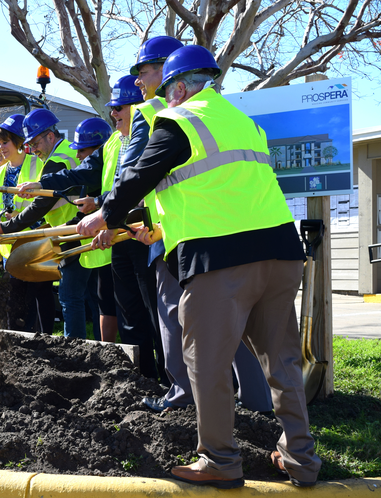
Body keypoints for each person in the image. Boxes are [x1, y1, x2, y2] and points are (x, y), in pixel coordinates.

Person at [78, 44, 320, 489]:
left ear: (181, 87)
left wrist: (103, 216)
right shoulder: (241, 122)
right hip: (281, 253)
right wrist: (149, 225)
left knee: (205, 362)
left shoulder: (181, 119)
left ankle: (220, 460)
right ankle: (301, 459)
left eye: (167, 89)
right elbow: (213, 187)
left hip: (220, 260)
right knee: (282, 360)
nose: (164, 98)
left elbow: (139, 175)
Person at [113, 36, 272, 415]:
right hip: (226, 231)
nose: (138, 80)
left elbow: (132, 176)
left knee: (174, 315)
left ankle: (186, 397)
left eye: (146, 70)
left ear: (173, 70)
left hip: (175, 231)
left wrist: (109, 215)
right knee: (235, 321)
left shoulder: (155, 113)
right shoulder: (226, 115)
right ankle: (256, 404)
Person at [17, 116, 114, 341]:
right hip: (82, 234)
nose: (78, 156)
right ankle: (98, 347)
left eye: (36, 143)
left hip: (86, 239)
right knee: (97, 299)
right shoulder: (69, 159)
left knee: (74, 297)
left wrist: (63, 230)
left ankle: (78, 347)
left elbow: (46, 203)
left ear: (50, 136)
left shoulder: (61, 159)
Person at [0, 108, 86, 338]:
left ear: (50, 136)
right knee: (83, 297)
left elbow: (42, 206)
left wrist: (7, 226)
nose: (33, 149)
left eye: (34, 143)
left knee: (69, 298)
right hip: (70, 232)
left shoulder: (56, 160)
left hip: (71, 234)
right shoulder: (65, 153)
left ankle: (73, 350)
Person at [0, 115, 54, 333]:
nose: (0, 148)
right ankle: (18, 341)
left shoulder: (39, 164)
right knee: (15, 299)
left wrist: (22, 215)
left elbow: (47, 203)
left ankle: (46, 340)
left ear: (19, 141)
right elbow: (1, 207)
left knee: (40, 293)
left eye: (4, 142)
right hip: (10, 245)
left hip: (36, 242)